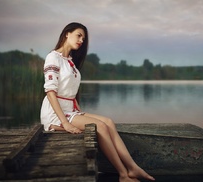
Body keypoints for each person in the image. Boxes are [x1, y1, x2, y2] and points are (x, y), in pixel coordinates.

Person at [40, 22, 155, 182]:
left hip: (70, 110)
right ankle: (122, 174)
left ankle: (132, 167)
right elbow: (51, 92)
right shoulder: (53, 57)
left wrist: (79, 112)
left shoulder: (70, 61)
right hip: (55, 113)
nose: (81, 40)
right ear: (67, 33)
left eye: (83, 38)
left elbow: (71, 93)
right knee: (100, 126)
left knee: (108, 121)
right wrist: (66, 123)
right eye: (78, 35)